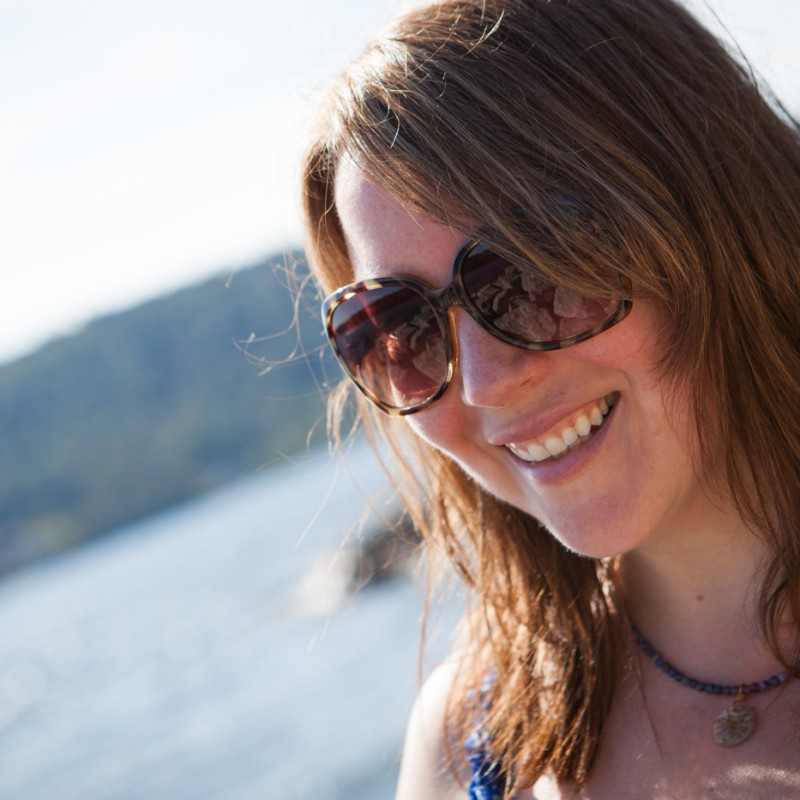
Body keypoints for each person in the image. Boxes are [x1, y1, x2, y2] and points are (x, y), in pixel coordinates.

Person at [301, 0, 800, 796]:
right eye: (401, 328)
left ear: (710, 216)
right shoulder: (471, 744)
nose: (487, 381)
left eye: (533, 270)